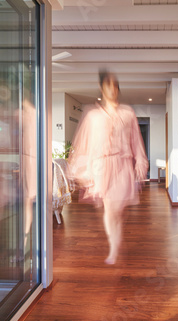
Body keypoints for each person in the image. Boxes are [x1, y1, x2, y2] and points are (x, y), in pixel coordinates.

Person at [69, 69, 149, 264]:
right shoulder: (93, 116)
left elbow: (136, 141)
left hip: (122, 165)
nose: (113, 88)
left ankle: (116, 239)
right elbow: (85, 145)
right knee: (111, 208)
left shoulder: (127, 112)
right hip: (102, 166)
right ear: (101, 87)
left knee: (119, 209)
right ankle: (114, 248)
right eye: (108, 85)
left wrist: (140, 161)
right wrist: (83, 169)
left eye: (115, 85)